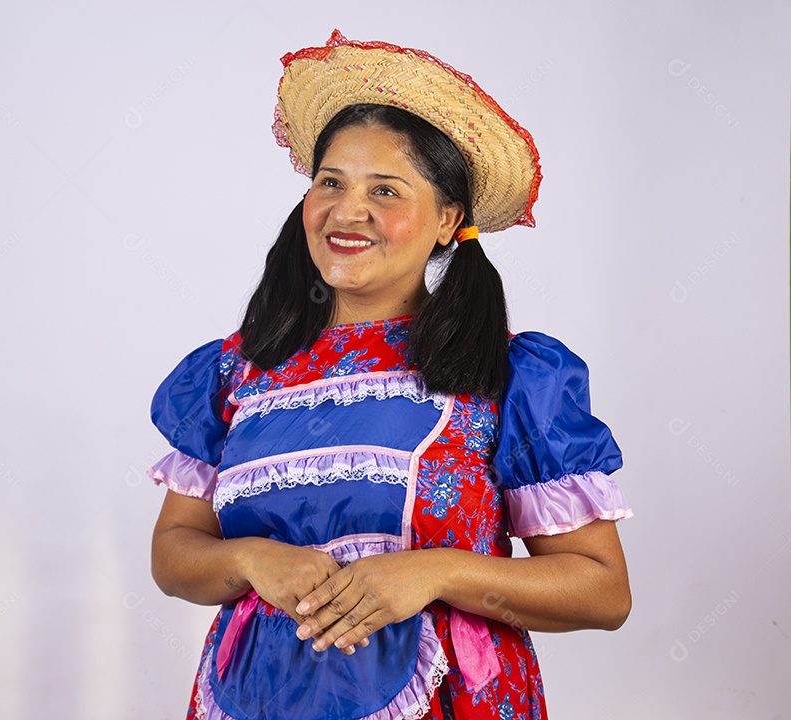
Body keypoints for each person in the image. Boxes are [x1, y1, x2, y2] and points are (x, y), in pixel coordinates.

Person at [146, 30, 632, 720]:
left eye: (386, 190)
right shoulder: (232, 371)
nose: (349, 211)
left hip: (450, 700)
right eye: (331, 183)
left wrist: (436, 572)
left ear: (448, 220)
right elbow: (175, 554)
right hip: (255, 698)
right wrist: (253, 559)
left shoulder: (509, 375)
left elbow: (603, 591)